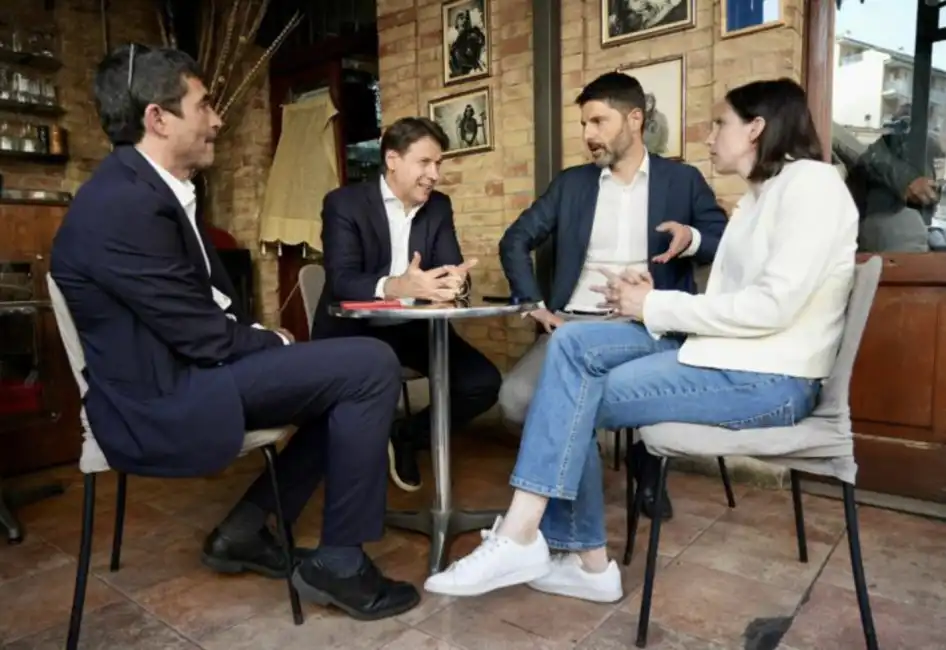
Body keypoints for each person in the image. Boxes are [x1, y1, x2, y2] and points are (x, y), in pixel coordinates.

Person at [425, 77, 856, 603]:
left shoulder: (811, 185)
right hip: (718, 353)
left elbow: (773, 306)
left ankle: (551, 546)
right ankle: (571, 558)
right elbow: (740, 298)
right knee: (571, 351)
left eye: (720, 123)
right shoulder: (760, 197)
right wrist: (649, 296)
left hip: (767, 378)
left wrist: (653, 304)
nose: (708, 134)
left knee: (565, 396)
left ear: (756, 129)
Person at [50, 44, 419, 621]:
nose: (217, 118)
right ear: (158, 118)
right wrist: (276, 342)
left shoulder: (149, 190)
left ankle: (246, 529)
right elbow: (203, 337)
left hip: (186, 371)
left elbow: (202, 314)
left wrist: (265, 340)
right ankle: (340, 565)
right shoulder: (121, 204)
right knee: (370, 364)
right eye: (205, 104)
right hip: (161, 398)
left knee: (346, 379)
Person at [497, 71, 727, 520]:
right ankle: (581, 478)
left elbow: (724, 240)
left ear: (634, 119)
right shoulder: (572, 185)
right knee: (515, 400)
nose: (588, 135)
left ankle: (642, 462)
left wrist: (692, 237)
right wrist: (535, 305)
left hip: (651, 323)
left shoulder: (682, 181)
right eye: (584, 124)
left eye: (598, 122)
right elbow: (514, 240)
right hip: (574, 323)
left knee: (600, 398)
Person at [312, 117, 502, 492]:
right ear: (393, 159)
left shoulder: (438, 207)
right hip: (355, 328)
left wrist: (454, 282)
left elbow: (452, 264)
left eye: (439, 164)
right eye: (425, 163)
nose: (435, 174)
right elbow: (342, 279)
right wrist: (395, 285)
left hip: (413, 327)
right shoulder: (344, 204)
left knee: (482, 383)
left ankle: (408, 435)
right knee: (369, 393)